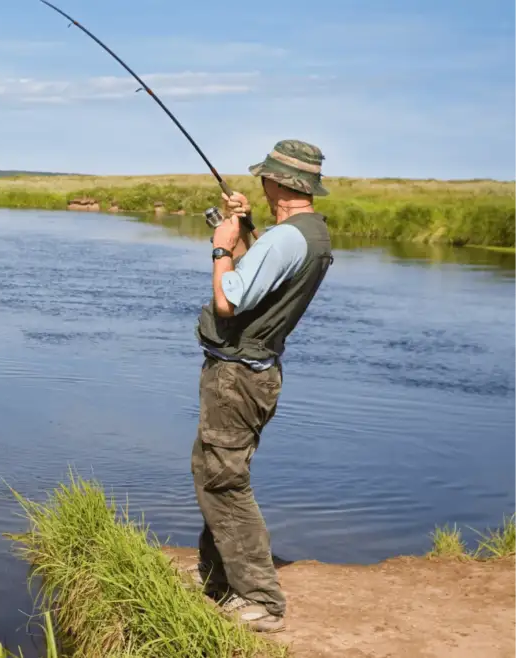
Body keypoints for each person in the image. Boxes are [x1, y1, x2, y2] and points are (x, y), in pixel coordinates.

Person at [190, 139, 334, 633]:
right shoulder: (307, 233)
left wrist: (221, 245)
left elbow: (231, 299)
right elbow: (260, 277)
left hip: (238, 377)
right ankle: (217, 576)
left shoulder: (287, 239)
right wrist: (247, 227)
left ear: (281, 183)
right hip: (252, 373)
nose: (260, 182)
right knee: (212, 468)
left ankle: (261, 600)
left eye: (265, 177)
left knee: (225, 480)